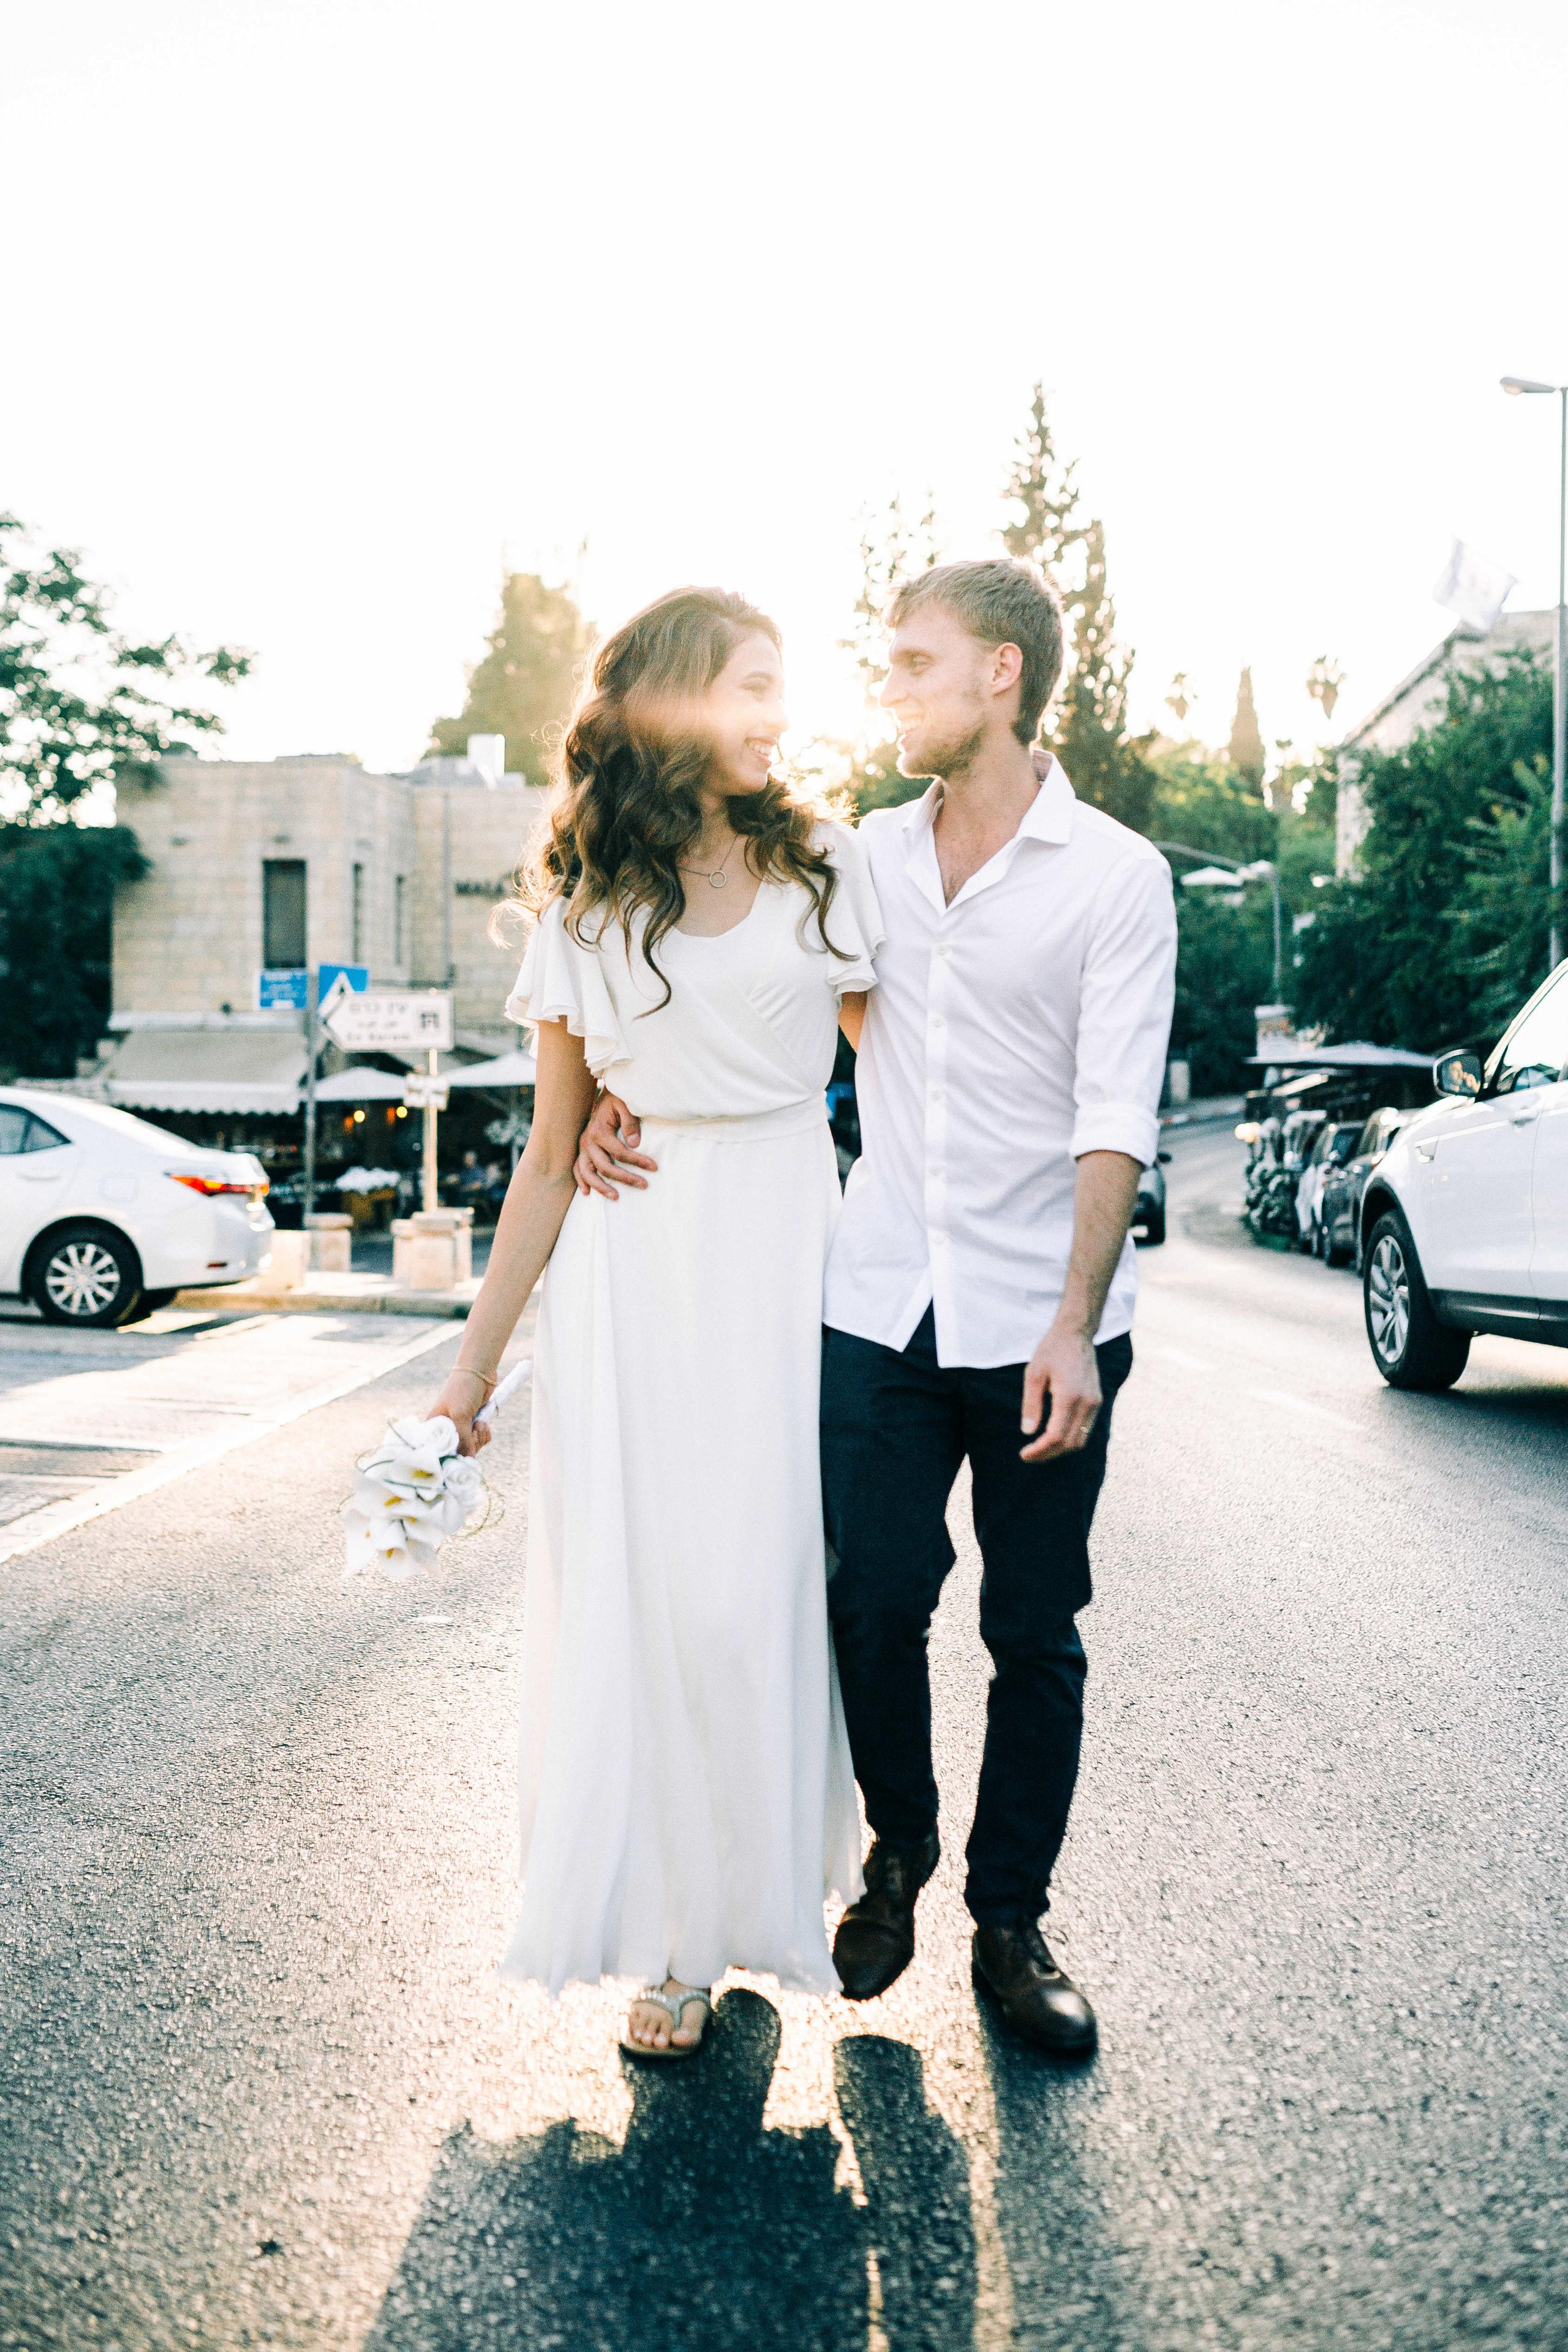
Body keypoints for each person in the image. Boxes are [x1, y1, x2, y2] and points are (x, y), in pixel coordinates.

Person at [578, 558, 1177, 2055]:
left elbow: (1115, 1115)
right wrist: (616, 1103)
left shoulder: (1116, 877)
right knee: (867, 1594)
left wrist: (1071, 1321)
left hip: (1043, 1316)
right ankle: (894, 1850)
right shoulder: (859, 862)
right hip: (879, 1302)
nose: (886, 687)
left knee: (1033, 1628)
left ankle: (1007, 1923)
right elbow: (775, 1009)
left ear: (999, 675)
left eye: (912, 663)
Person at [425, 586, 881, 2058]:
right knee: (651, 1598)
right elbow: (552, 1157)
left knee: (760, 1593)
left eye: (781, 688)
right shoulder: (587, 906)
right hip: (633, 1272)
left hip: (786, 1250)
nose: (772, 714)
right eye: (748, 684)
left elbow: (914, 1079)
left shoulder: (828, 869)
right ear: (670, 704)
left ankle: (765, 1897)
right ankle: (678, 1945)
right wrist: (467, 1377)